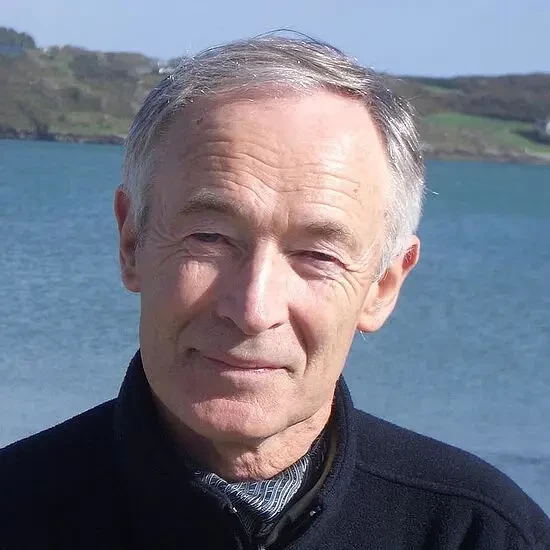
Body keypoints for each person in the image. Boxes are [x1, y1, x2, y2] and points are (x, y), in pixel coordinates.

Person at [1, 34, 549, 550]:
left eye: (317, 255)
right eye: (210, 238)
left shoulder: (478, 534)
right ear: (131, 242)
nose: (253, 309)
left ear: (383, 285)